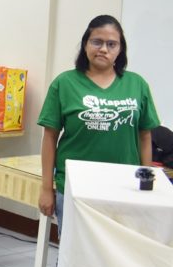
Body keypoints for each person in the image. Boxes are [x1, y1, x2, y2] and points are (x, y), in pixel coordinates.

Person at [38, 15, 159, 229]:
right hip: (76, 186)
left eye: (111, 44)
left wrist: (145, 185)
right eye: (97, 42)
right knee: (73, 255)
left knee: (120, 252)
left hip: (125, 187)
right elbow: (49, 137)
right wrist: (46, 187)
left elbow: (145, 136)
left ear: (120, 50)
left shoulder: (137, 84)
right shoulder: (64, 83)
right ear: (85, 44)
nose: (103, 49)